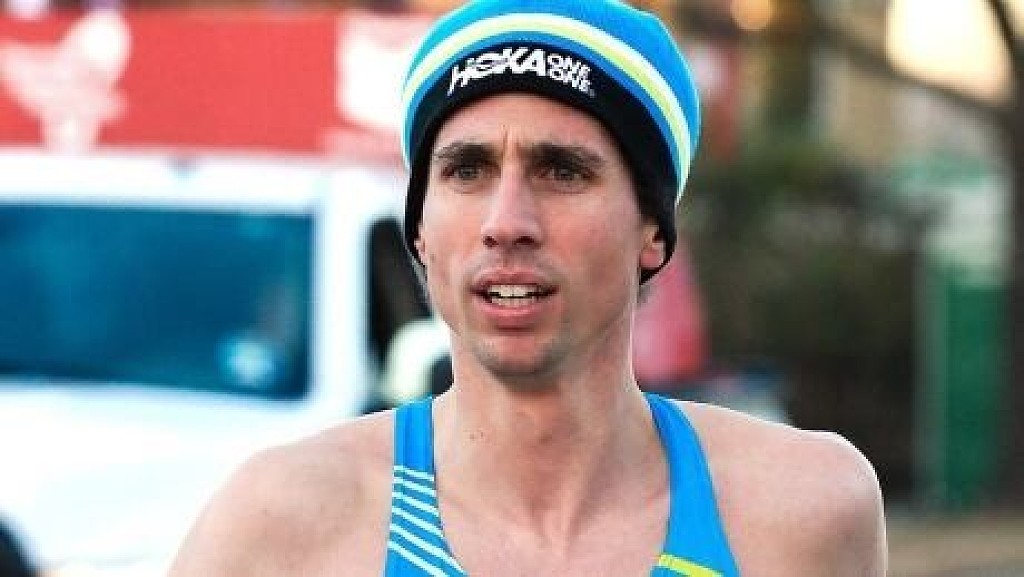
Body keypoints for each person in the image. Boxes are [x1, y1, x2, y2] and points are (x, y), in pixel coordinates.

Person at [168, 1, 887, 575]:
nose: (506, 223)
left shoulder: (798, 512)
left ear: (653, 230)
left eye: (562, 171)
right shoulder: (285, 524)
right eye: (467, 170)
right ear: (420, 229)